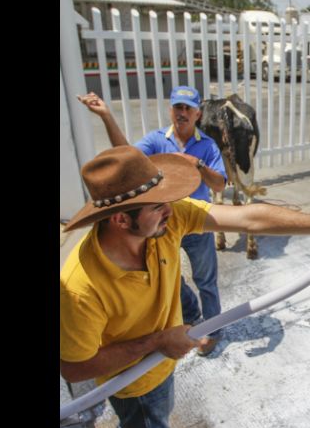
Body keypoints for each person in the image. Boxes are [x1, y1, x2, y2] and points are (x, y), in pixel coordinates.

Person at [60, 146, 310, 428]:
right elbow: (75, 369)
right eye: (158, 206)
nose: (171, 210)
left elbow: (249, 217)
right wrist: (157, 341)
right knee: (146, 423)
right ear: (120, 219)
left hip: (160, 363)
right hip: (134, 384)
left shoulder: (163, 221)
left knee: (144, 423)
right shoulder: (80, 288)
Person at [78, 86, 228, 356]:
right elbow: (126, 155)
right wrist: (106, 116)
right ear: (171, 110)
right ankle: (192, 317)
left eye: (187, 109)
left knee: (206, 279)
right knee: (171, 278)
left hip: (195, 222)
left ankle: (213, 331)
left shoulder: (207, 144)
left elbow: (219, 185)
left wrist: (198, 164)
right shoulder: (158, 140)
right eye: (177, 107)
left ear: (197, 114)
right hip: (162, 224)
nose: (182, 113)